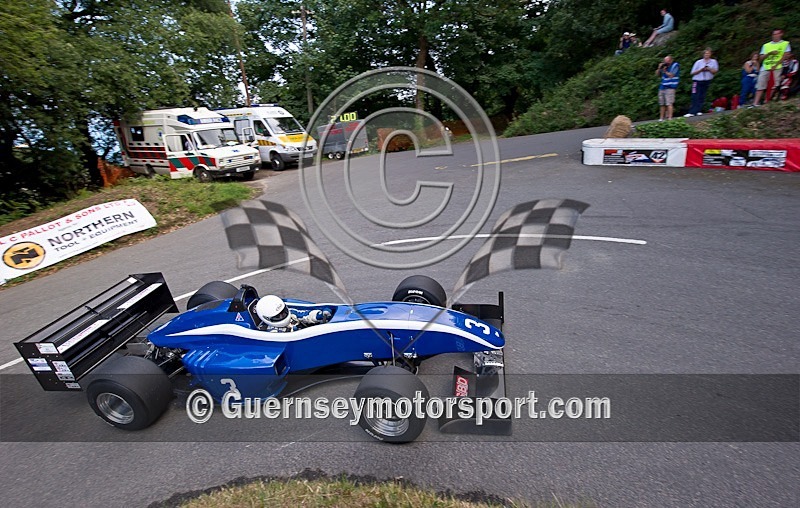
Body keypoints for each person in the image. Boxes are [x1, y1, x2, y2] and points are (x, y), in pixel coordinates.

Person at [753, 29, 792, 106]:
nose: (775, 36)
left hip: (777, 67)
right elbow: (761, 58)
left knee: (774, 85)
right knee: (760, 84)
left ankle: (766, 101)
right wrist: (769, 53)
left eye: (777, 34)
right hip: (766, 66)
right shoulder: (766, 45)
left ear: (781, 34)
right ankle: (755, 103)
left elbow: (785, 56)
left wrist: (776, 65)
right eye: (773, 34)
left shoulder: (785, 44)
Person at [255, 295, 331, 332]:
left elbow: (304, 315)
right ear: (267, 319)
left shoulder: (291, 312)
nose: (283, 315)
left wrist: (319, 315)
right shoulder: (269, 332)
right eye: (278, 316)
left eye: (283, 312)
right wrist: (294, 331)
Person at [685, 48, 719, 117]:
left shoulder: (713, 61)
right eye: (705, 53)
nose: (707, 55)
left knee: (702, 96)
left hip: (706, 80)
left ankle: (698, 110)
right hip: (697, 80)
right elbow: (692, 72)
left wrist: (709, 69)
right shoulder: (698, 62)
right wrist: (701, 70)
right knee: (695, 96)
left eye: (708, 53)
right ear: (703, 54)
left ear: (710, 54)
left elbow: (715, 71)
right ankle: (692, 111)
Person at [656, 55, 679, 121]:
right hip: (663, 86)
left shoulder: (675, 65)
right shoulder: (664, 67)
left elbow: (671, 75)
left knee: (669, 103)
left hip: (670, 86)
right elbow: (657, 74)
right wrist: (659, 68)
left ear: (671, 60)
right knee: (662, 103)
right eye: (665, 61)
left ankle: (670, 117)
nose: (666, 63)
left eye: (668, 61)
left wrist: (665, 71)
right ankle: (661, 118)